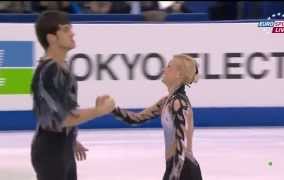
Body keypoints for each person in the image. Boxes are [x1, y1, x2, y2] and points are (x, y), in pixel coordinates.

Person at [31, 10, 115, 180]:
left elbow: (62, 113)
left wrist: (72, 139)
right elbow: (63, 118)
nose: (72, 33)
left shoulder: (62, 68)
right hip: (51, 151)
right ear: (52, 38)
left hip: (62, 146)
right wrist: (99, 111)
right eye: (66, 29)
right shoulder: (49, 71)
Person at [112, 54, 203, 180]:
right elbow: (136, 119)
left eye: (169, 67)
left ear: (179, 74)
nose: (164, 70)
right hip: (176, 167)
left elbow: (181, 145)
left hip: (183, 169)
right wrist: (112, 109)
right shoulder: (166, 101)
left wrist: (173, 175)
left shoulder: (179, 104)